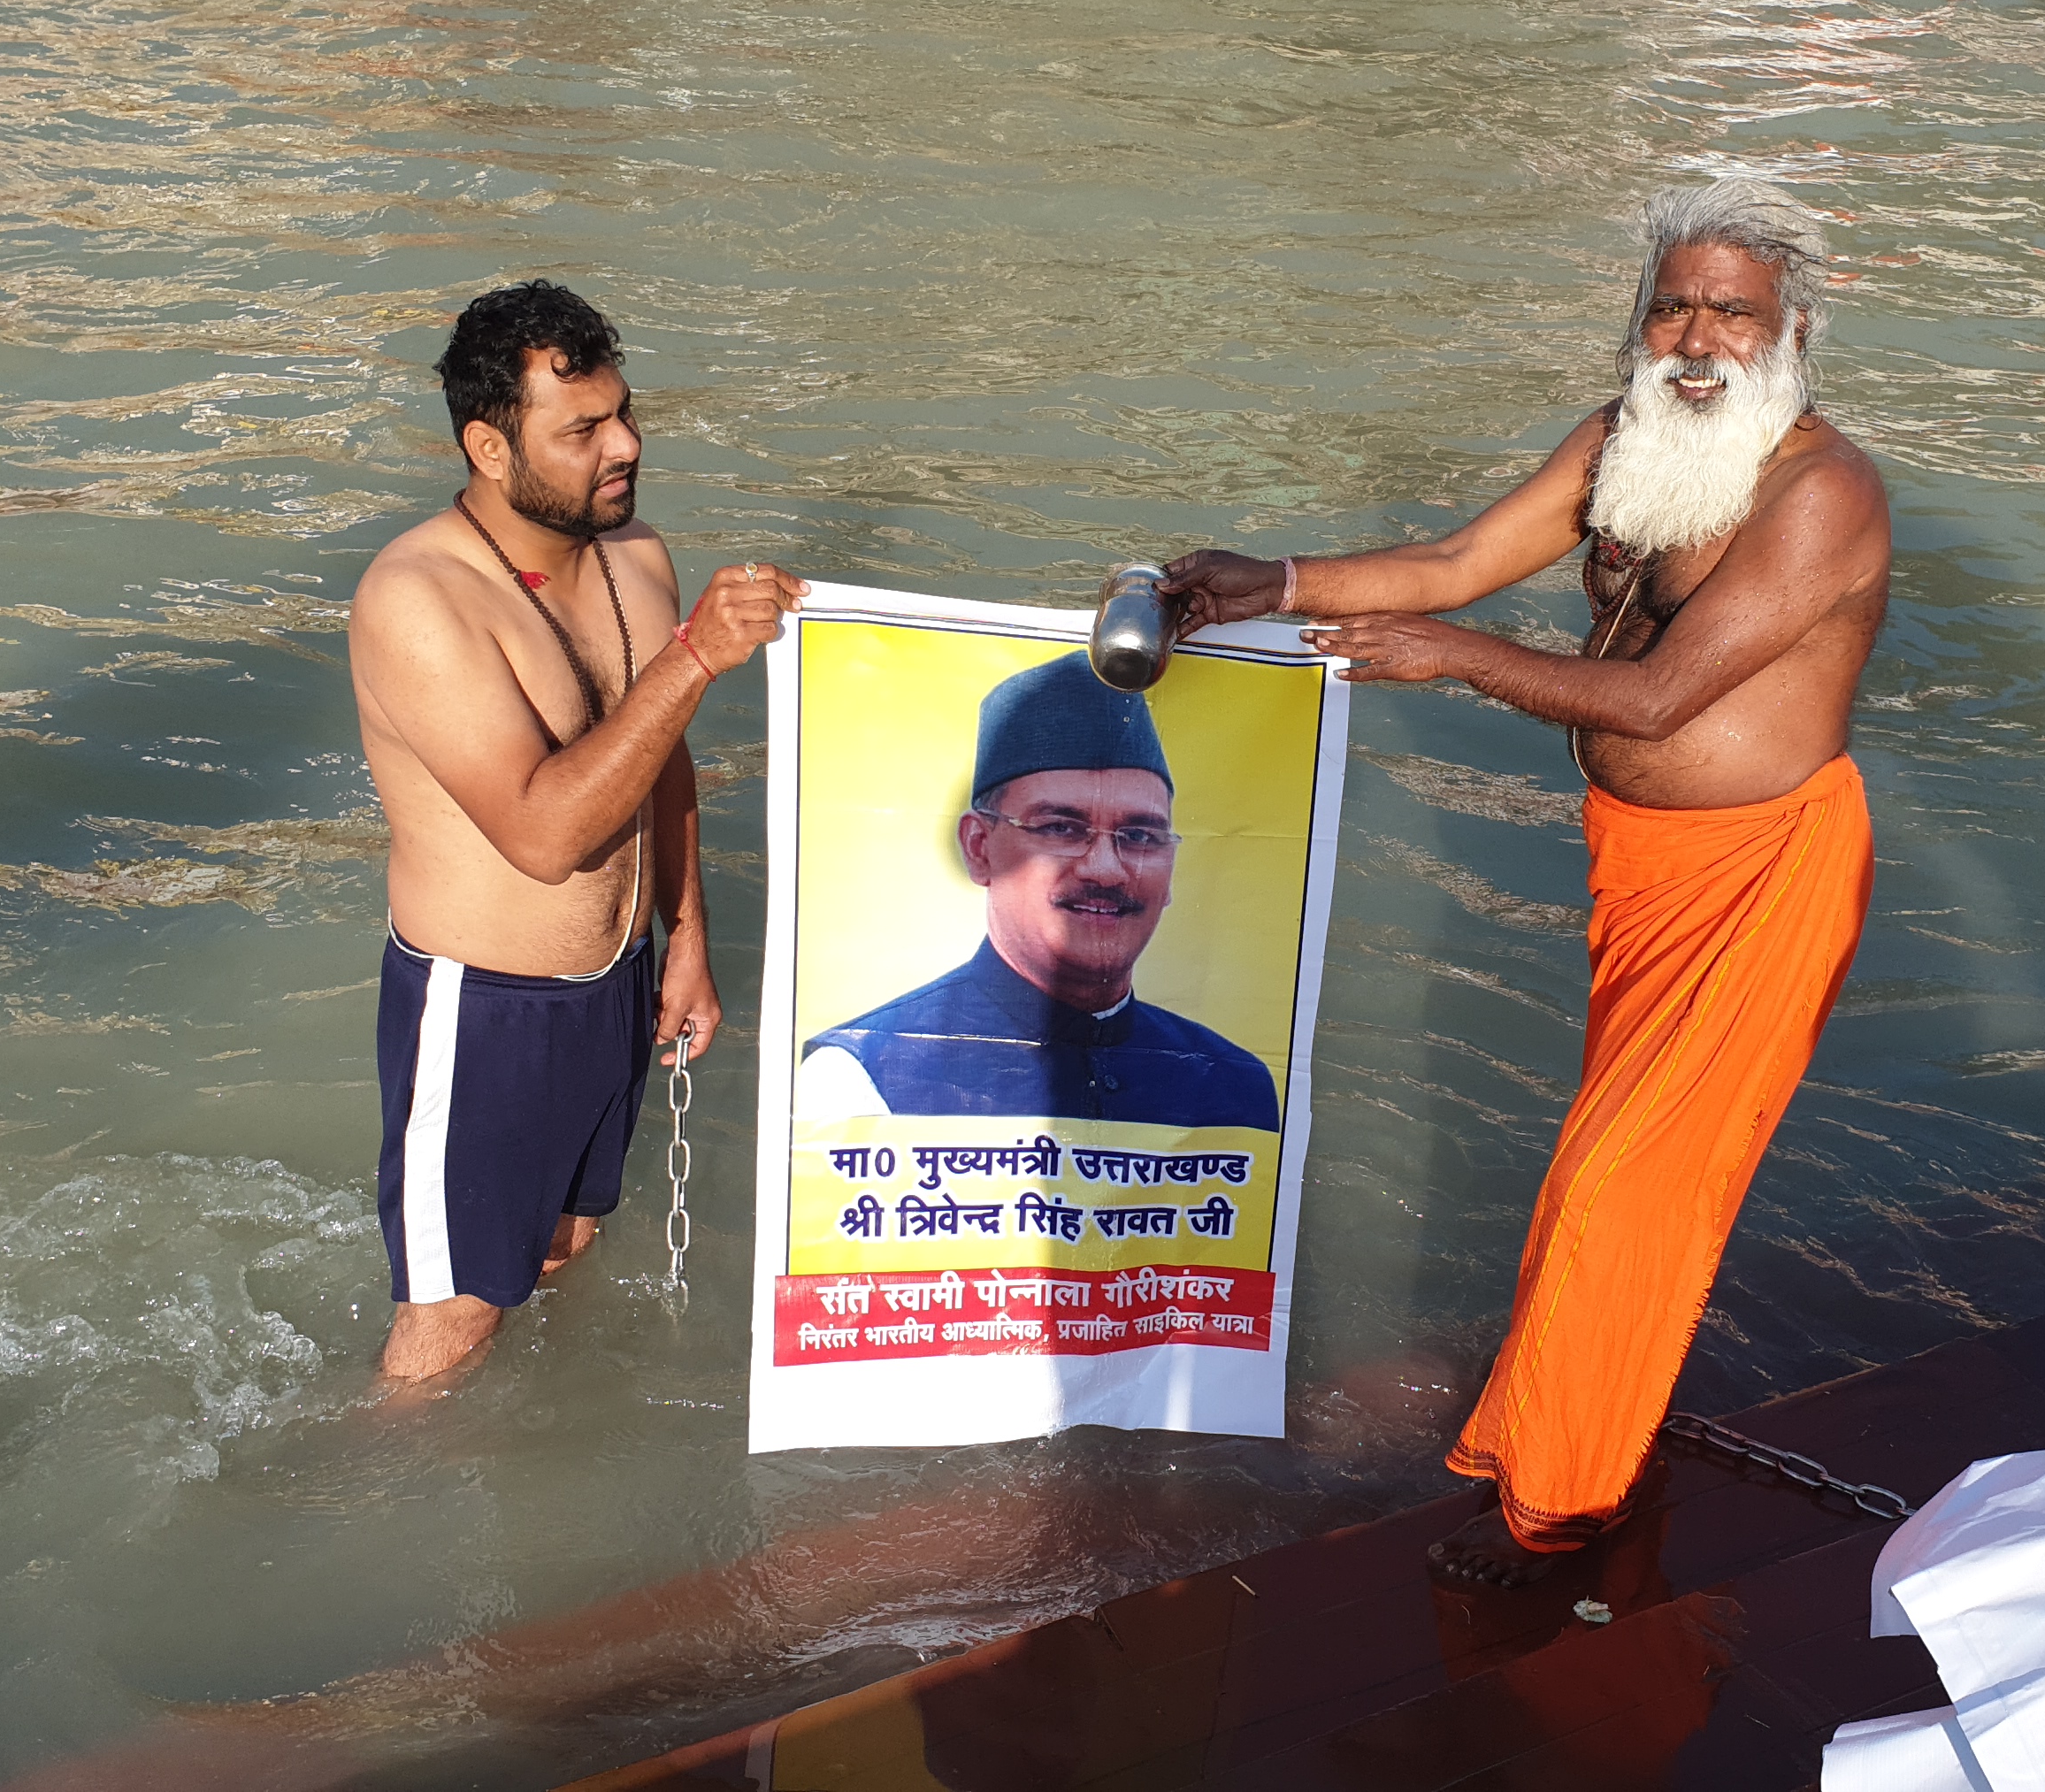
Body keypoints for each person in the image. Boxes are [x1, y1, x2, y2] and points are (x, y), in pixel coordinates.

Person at [1160, 177, 1891, 1585]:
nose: (1694, 337)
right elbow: (1455, 561)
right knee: (1603, 1182)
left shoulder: (1824, 492)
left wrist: (1461, 663)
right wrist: (1273, 582)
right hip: (1646, 871)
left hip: (1764, 875)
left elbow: (1668, 695)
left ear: (1791, 330)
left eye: (1729, 313)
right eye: (1670, 304)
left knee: (1627, 1188)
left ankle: (1560, 1511)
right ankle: (1564, 1440)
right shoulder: (1625, 441)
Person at [348, 280, 806, 1382]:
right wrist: (696, 657)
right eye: (585, 429)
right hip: (487, 1010)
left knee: (566, 1242)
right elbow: (544, 835)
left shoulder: (636, 557)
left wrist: (686, 939)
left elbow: (659, 756)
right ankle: (376, 1505)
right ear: (490, 450)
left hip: (616, 986)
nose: (627, 446)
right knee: (451, 1324)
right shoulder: (421, 598)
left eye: (625, 413)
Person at [793, 652, 1280, 1133]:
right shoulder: (864, 1077)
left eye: (1139, 837)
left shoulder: (1233, 1086)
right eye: (1061, 829)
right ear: (979, 848)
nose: (1107, 871)